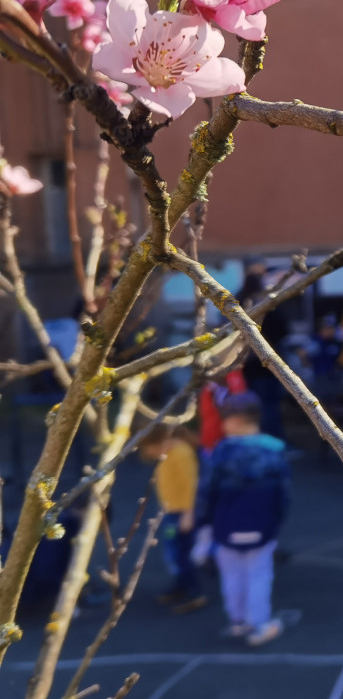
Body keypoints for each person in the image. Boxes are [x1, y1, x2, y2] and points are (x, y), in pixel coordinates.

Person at [198, 391, 291, 646]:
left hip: (226, 525)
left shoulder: (220, 452)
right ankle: (259, 624)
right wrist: (277, 520)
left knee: (232, 575)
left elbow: (207, 493)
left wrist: (205, 523)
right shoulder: (275, 450)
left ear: (236, 421)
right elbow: (283, 495)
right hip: (262, 525)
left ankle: (238, 621)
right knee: (258, 574)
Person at [138, 424, 206, 614]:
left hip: (181, 514)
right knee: (174, 550)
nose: (149, 454)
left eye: (149, 449)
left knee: (182, 553)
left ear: (160, 441)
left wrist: (188, 513)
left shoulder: (181, 454)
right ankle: (181, 585)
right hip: (171, 512)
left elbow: (191, 485)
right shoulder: (167, 453)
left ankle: (194, 591)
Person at [236, 259, 290, 441]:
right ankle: (272, 441)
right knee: (271, 405)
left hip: (247, 364)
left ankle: (259, 439)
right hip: (269, 364)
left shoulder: (238, 303)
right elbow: (283, 329)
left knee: (255, 406)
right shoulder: (267, 304)